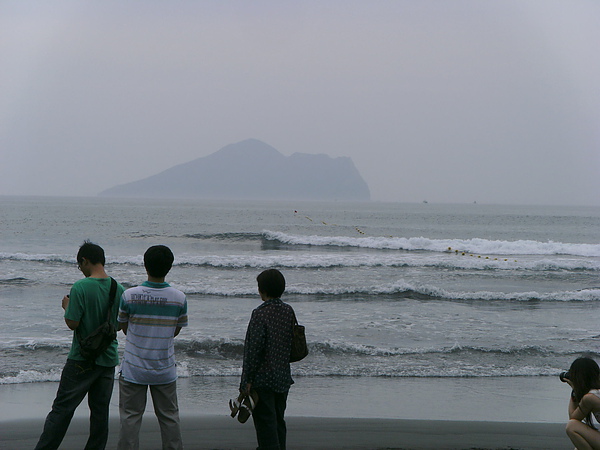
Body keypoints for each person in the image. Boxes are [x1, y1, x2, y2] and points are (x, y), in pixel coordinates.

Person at [35, 241, 125, 450]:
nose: (81, 270)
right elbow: (119, 326)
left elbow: (72, 323)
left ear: (84, 260)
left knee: (62, 409)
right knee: (100, 412)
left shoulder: (81, 287)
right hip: (108, 358)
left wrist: (67, 306)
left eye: (80, 265)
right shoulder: (118, 288)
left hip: (81, 359)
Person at [117, 245, 188, 450]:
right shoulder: (179, 298)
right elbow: (175, 331)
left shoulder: (129, 296)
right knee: (169, 418)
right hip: (164, 368)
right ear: (169, 267)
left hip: (134, 368)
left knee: (130, 419)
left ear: (145, 264)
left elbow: (124, 328)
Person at [240, 268, 296, 450]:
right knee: (278, 421)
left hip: (263, 379)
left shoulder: (260, 314)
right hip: (282, 377)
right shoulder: (288, 311)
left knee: (266, 426)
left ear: (261, 290)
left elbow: (253, 350)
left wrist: (247, 380)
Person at [563, 356, 600, 449]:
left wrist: (574, 390)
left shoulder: (590, 397)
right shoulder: (596, 392)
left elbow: (573, 418)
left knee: (571, 427)